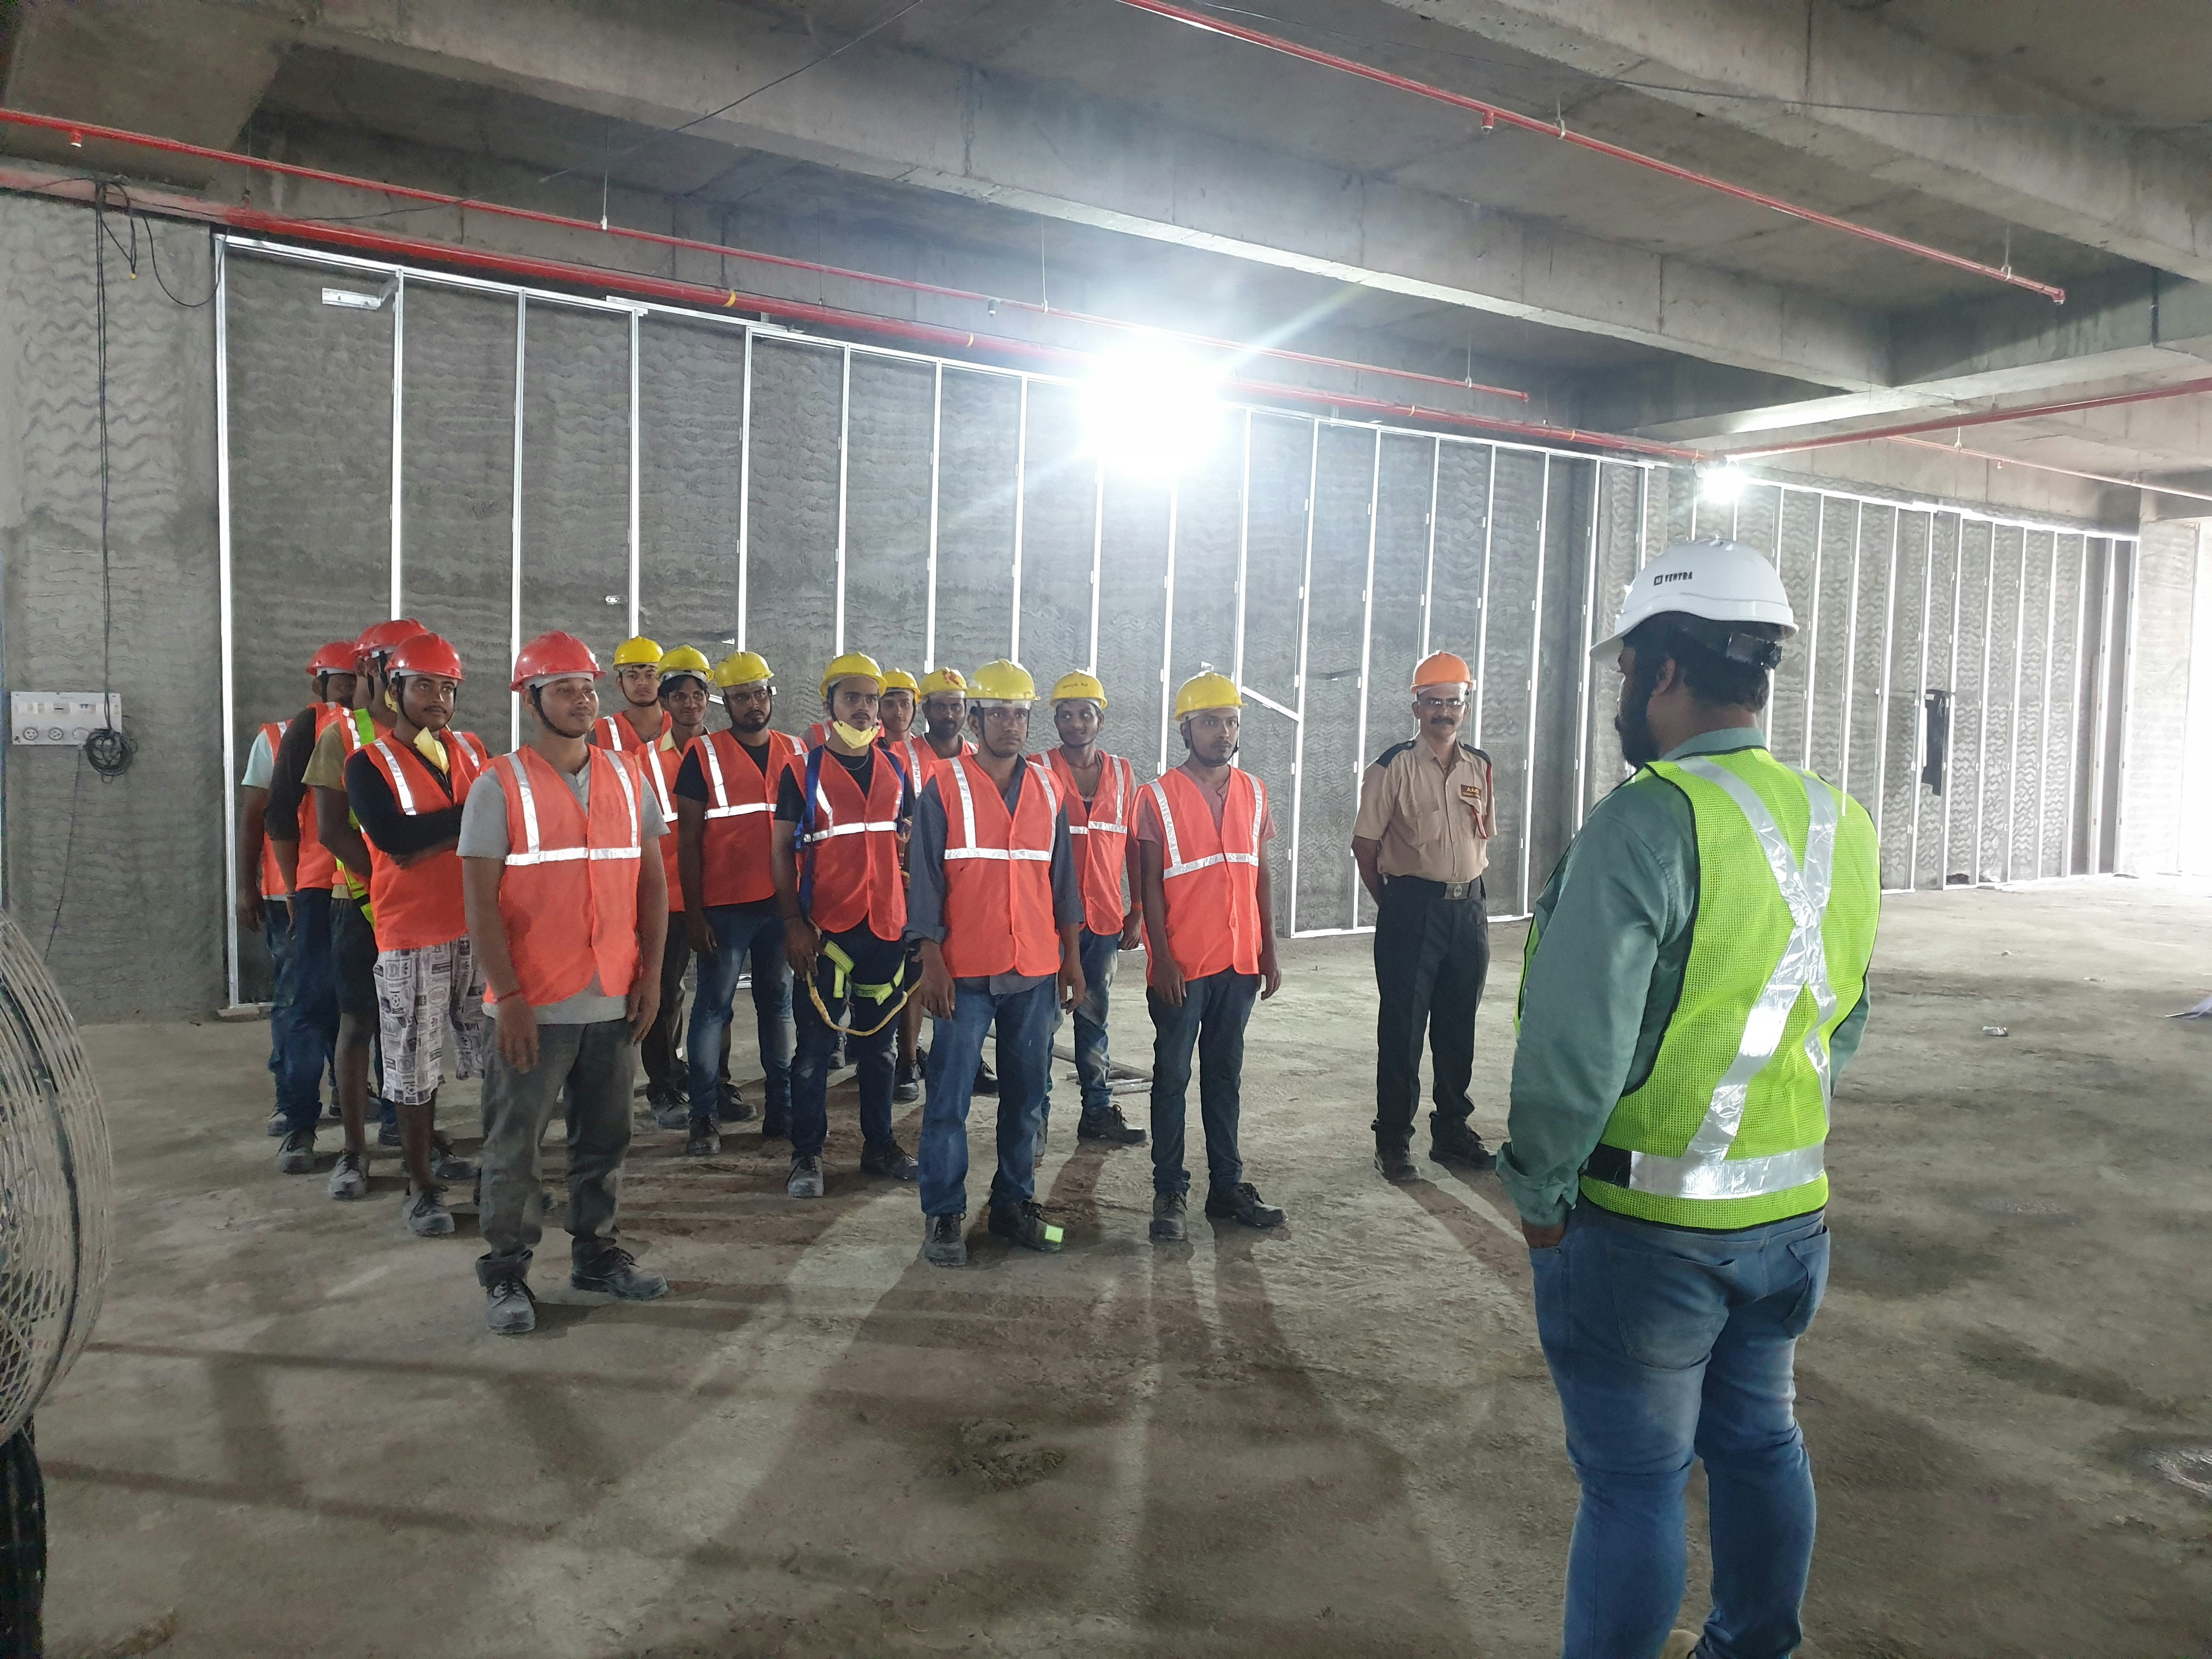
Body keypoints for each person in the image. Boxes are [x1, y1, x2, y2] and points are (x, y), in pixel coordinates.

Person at [1499, 539, 1878, 1659]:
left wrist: (1539, 1186)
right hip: (1790, 1219)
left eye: (1626, 670)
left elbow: (1575, 1049)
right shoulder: (1840, 823)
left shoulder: (1646, 821)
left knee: (1634, 1483)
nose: (1622, 692)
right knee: (1763, 1444)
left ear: (1665, 671)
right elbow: (1841, 1020)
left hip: (1648, 1234)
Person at [461, 630, 672, 1336]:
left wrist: (651, 977)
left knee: (605, 1137)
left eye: (587, 686)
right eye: (564, 688)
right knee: (515, 1143)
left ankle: (597, 1252)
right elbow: (480, 902)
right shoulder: (499, 785)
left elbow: (652, 885)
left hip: (613, 993)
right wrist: (510, 997)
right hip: (535, 1003)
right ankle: (507, 1272)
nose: (583, 699)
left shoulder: (626, 776)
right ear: (532, 700)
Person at [908, 660, 1084, 1267]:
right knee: (949, 1100)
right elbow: (925, 881)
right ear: (976, 718)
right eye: (999, 713)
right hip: (964, 971)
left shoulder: (1048, 788)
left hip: (1033, 970)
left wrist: (1073, 961)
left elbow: (1064, 884)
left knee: (1027, 1096)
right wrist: (929, 958)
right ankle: (944, 1215)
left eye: (1020, 714)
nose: (1011, 725)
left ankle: (1013, 1205)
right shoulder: (943, 786)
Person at [345, 631, 491, 1237]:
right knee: (412, 1064)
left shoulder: (474, 750)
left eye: (448, 688)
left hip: (480, 928)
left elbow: (498, 823)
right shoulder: (367, 762)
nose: (438, 698)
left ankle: (498, 1174)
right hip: (411, 934)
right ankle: (422, 1184)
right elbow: (394, 842)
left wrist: (435, 830)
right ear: (394, 690)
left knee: (496, 1060)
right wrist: (466, 820)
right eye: (425, 686)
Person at [1132, 673, 1286, 1241]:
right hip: (1183, 966)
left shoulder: (1255, 791)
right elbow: (1148, 885)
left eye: (1231, 722)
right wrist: (1162, 958)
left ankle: (1227, 1188)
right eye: (1211, 722)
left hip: (1239, 963)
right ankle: (1169, 1189)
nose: (1223, 733)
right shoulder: (1156, 796)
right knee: (1172, 1077)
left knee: (1225, 1077)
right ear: (1186, 728)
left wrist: (1268, 951)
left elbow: (1260, 875)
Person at [771, 652, 919, 1197]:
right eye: (852, 698)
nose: (863, 709)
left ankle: (879, 1146)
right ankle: (806, 1155)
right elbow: (780, 851)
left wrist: (918, 928)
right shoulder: (801, 771)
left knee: (879, 1051)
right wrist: (793, 923)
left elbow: (914, 854)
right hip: (826, 930)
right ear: (829, 702)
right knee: (813, 1054)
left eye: (871, 699)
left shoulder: (898, 769)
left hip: (885, 928)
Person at [1351, 651, 1500, 1183]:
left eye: (1453, 702)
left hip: (1471, 910)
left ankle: (1452, 1133)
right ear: (1416, 707)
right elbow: (1364, 845)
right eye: (1433, 702)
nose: (1444, 712)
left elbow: (1481, 836)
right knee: (1403, 1029)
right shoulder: (1392, 767)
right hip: (1412, 908)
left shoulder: (1480, 765)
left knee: (1459, 1026)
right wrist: (1392, 905)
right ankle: (1393, 1140)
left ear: (1465, 705)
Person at [308, 617, 425, 1195]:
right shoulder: (344, 736)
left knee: (414, 1032)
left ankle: (417, 1140)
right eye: (402, 666)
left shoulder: (438, 736)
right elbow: (331, 828)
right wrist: (379, 880)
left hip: (420, 908)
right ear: (374, 671)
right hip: (358, 903)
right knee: (359, 1025)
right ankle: (353, 1150)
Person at [674, 649, 802, 1155]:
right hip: (725, 909)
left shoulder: (795, 751)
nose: (753, 704)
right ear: (724, 702)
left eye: (759, 693)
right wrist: (695, 912)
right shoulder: (702, 756)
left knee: (779, 1005)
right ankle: (703, 1115)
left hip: (782, 904)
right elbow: (687, 841)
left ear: (770, 695)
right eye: (741, 696)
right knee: (713, 1009)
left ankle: (782, 1106)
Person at [259, 641, 361, 1170]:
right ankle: (300, 1122)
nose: (349, 684)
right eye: (341, 676)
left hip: (384, 894)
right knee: (310, 1003)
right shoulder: (311, 727)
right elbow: (278, 816)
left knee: (379, 1010)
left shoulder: (413, 730)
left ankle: (389, 1118)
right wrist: (295, 890)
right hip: (324, 888)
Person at [1041, 670, 1145, 1148]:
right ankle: (1034, 1113)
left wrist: (1138, 907)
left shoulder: (1123, 774)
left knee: (1094, 1016)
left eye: (1086, 714)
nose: (1076, 723)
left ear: (1101, 719)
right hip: (1045, 919)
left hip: (1102, 918)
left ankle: (1096, 1112)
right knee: (1041, 1020)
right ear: (1056, 720)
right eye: (1066, 714)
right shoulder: (1038, 770)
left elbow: (1135, 848)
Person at [896, 666, 997, 1105]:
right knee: (918, 975)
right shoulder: (904, 755)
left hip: (969, 879)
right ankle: (908, 1058)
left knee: (967, 975)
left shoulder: (978, 755)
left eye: (957, 706)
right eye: (941, 706)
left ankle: (969, 1059)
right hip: (913, 878)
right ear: (928, 711)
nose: (949, 714)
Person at [636, 645, 717, 1128]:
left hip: (718, 894)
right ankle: (663, 1085)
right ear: (664, 705)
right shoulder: (641, 762)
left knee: (713, 995)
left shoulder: (722, 753)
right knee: (663, 993)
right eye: (679, 696)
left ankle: (711, 1079)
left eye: (698, 694)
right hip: (665, 894)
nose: (690, 704)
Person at [877, 667, 926, 1102]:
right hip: (867, 885)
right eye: (888, 702)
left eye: (904, 703)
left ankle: (907, 1059)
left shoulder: (919, 757)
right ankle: (874, 1051)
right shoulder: (858, 753)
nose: (896, 711)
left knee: (912, 976)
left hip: (913, 884)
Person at [592, 635, 667, 751]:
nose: (642, 682)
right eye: (632, 676)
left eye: (650, 675)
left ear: (663, 680)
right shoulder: (599, 732)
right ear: (620, 683)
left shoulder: (682, 728)